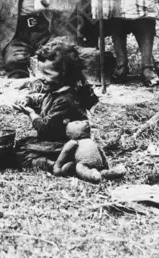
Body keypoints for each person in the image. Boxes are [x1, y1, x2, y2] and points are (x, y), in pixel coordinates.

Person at [14, 37, 99, 172]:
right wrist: (29, 100)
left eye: (47, 73)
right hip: (55, 140)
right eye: (41, 73)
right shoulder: (57, 91)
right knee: (20, 144)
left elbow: (44, 128)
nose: (43, 78)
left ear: (64, 74)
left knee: (21, 153)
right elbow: (44, 99)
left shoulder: (65, 100)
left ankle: (54, 164)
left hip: (65, 144)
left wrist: (31, 114)